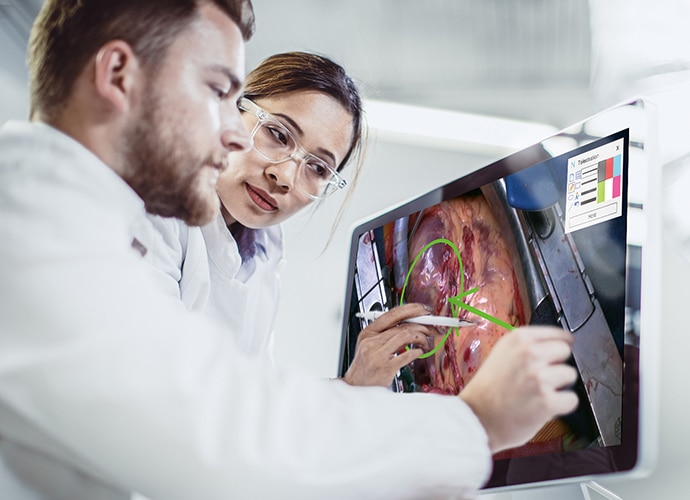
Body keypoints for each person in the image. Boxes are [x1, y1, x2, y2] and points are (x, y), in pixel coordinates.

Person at [0, 1, 579, 499]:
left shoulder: (101, 226)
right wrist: (473, 424)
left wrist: (351, 392)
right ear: (120, 74)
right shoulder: (32, 230)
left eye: (318, 168)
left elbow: (233, 397)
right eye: (218, 92)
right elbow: (218, 435)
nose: (231, 133)